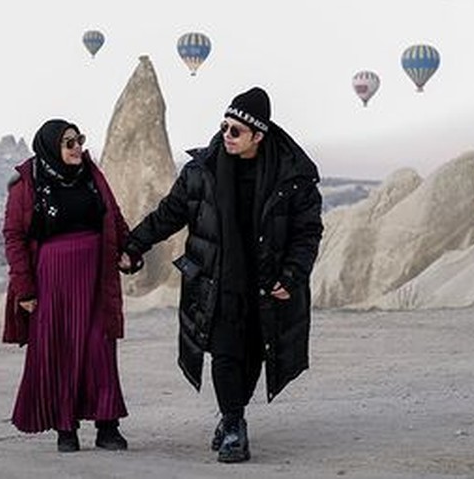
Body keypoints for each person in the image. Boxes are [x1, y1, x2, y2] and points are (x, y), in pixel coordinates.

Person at [119, 87, 323, 463]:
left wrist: (293, 272)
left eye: (235, 131)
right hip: (217, 278)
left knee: (254, 354)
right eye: (223, 127)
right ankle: (233, 425)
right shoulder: (202, 171)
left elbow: (307, 232)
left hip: (265, 281)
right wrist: (133, 246)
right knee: (225, 352)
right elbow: (169, 214)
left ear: (258, 135)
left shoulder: (293, 175)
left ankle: (233, 413)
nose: (226, 135)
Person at [2, 119, 131, 453]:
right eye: (68, 143)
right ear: (50, 147)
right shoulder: (27, 183)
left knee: (99, 347)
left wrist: (129, 251)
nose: (77, 148)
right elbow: (14, 237)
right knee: (60, 350)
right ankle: (65, 428)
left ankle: (107, 425)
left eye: (79, 140)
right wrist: (24, 289)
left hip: (96, 276)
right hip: (52, 280)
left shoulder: (91, 175)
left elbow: (113, 215)